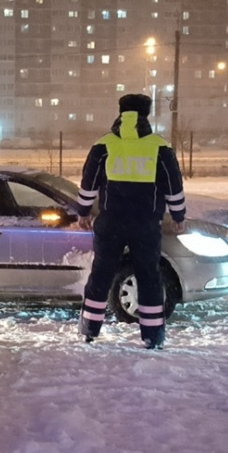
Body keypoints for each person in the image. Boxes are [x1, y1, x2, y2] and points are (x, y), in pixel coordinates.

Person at [75, 93, 186, 349]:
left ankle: (89, 330)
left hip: (111, 222)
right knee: (149, 277)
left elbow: (88, 184)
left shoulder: (104, 145)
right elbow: (174, 187)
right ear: (146, 114)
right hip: (146, 224)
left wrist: (83, 212)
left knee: (101, 274)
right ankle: (152, 337)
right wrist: (178, 216)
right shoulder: (159, 147)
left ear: (121, 113)